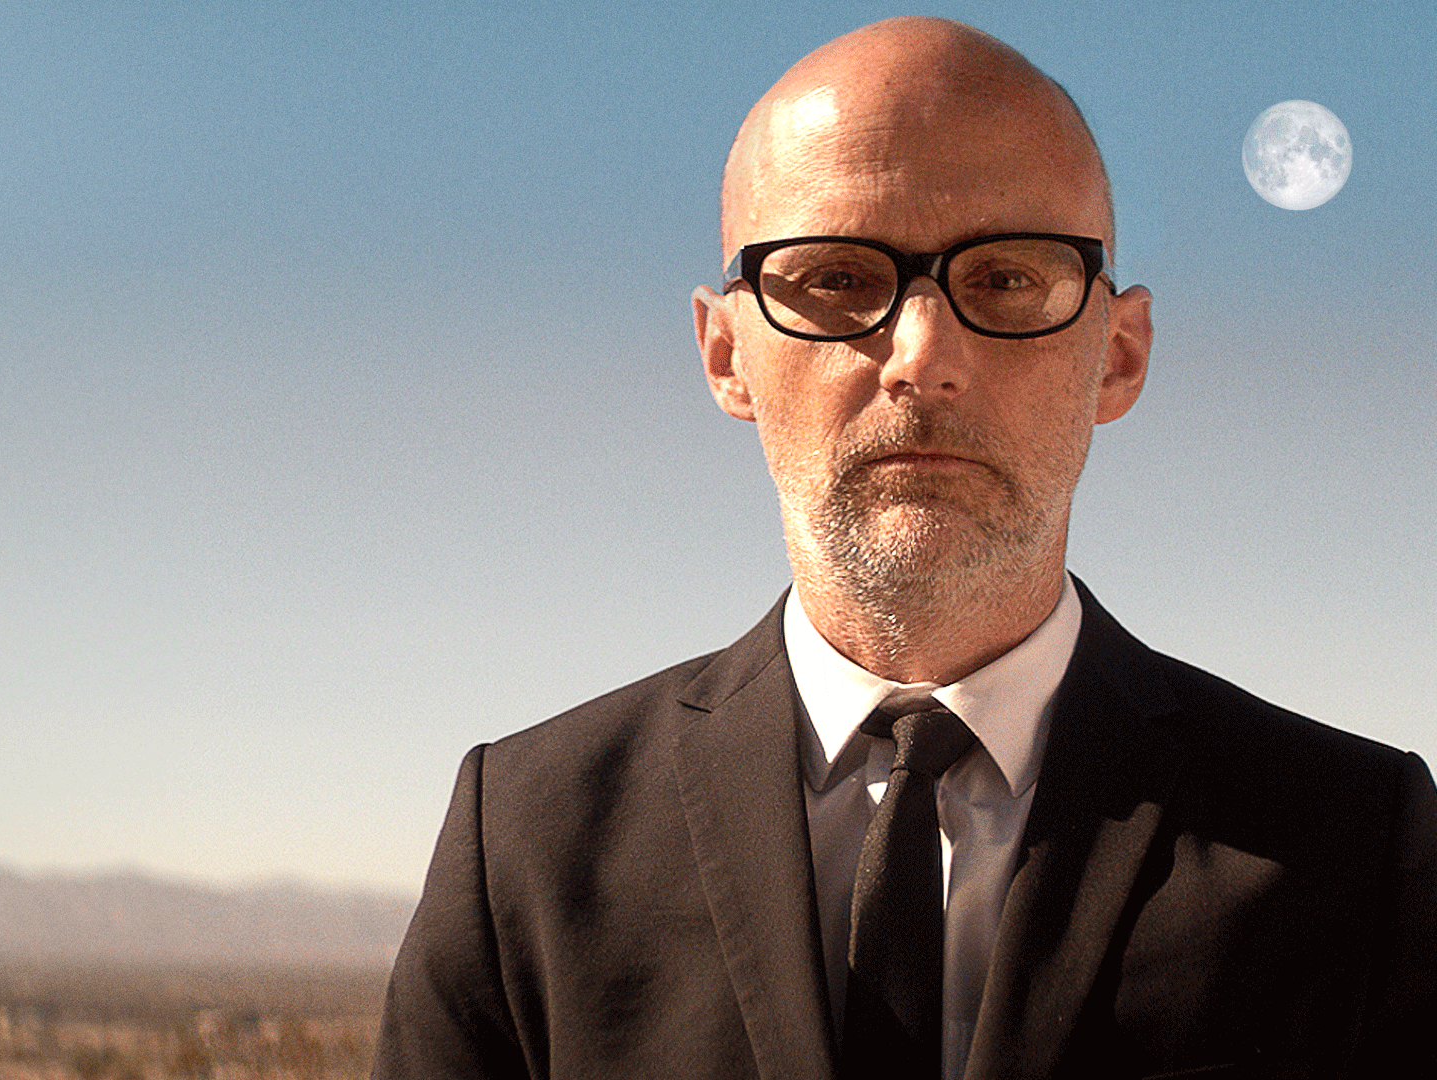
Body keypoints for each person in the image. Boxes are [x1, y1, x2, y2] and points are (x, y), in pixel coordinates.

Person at [372, 17, 1437, 1080]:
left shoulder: (1359, 843)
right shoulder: (526, 840)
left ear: (1118, 355)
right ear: (726, 354)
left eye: (1007, 280)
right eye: (836, 279)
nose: (922, 356)